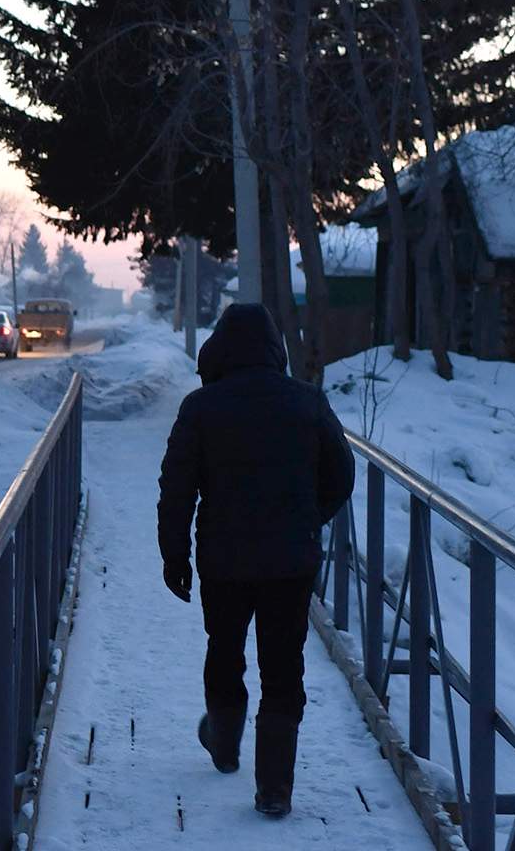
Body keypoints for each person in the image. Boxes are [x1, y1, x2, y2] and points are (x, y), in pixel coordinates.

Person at [157, 302, 354, 818]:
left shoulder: (201, 407)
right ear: (273, 349)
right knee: (283, 667)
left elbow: (176, 489)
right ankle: (274, 789)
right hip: (290, 562)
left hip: (223, 561)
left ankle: (224, 745)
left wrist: (173, 555)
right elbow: (342, 476)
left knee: (224, 649)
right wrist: (310, 518)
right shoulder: (307, 403)